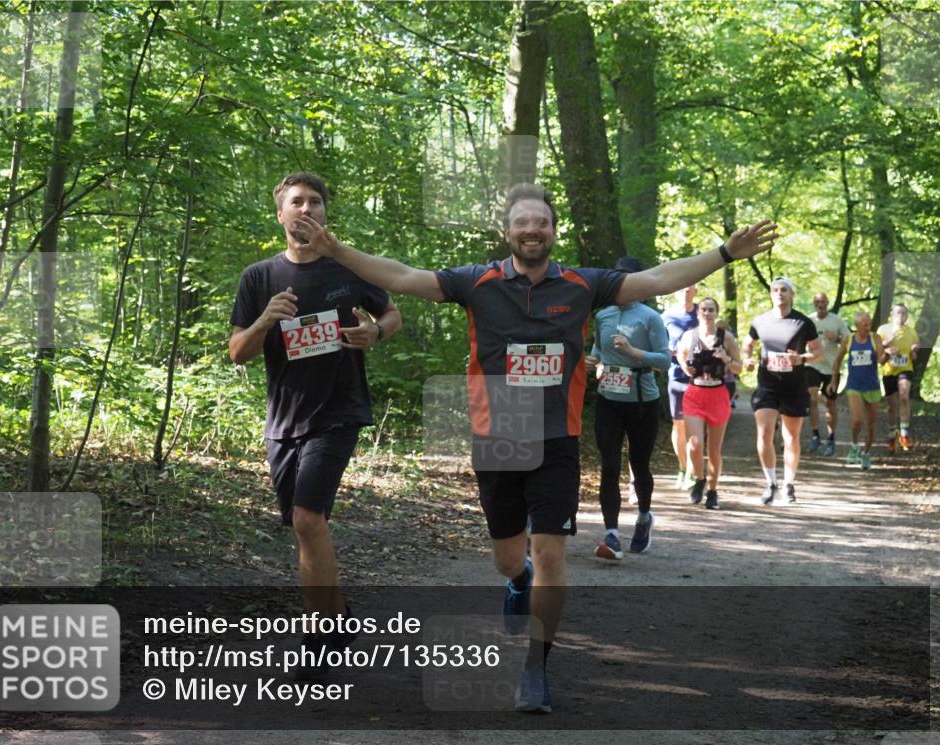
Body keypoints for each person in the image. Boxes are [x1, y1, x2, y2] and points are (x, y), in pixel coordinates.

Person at [295, 182, 777, 713]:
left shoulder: (582, 285)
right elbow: (404, 278)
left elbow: (659, 277)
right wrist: (336, 248)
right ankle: (516, 579)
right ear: (508, 231)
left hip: (555, 438)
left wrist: (725, 253)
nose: (532, 230)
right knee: (509, 559)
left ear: (553, 230)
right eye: (522, 222)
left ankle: (535, 668)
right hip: (498, 438)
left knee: (550, 550)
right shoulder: (476, 283)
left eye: (541, 223)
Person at [228, 172, 402, 676]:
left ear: (325, 213)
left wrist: (375, 332)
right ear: (280, 214)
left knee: (308, 519)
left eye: (315, 202)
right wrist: (264, 321)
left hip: (338, 409)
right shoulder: (258, 277)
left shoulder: (348, 267)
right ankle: (339, 617)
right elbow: (237, 353)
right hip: (284, 419)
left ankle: (319, 638)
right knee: (303, 527)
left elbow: (392, 315)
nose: (306, 209)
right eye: (296, 202)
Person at [585, 256, 670, 560]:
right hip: (609, 398)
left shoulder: (650, 317)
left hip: (642, 401)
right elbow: (598, 347)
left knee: (639, 465)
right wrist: (593, 361)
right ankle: (611, 534)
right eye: (617, 279)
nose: (621, 285)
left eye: (627, 279)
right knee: (609, 466)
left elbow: (665, 360)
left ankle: (644, 517)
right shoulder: (603, 315)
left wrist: (634, 352)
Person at [742, 277, 823, 504]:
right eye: (776, 290)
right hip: (767, 384)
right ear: (771, 294)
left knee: (791, 437)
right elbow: (748, 345)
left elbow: (819, 352)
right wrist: (747, 359)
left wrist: (801, 358)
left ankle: (789, 484)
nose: (779, 293)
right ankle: (770, 483)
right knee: (765, 434)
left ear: (791, 294)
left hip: (794, 386)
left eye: (784, 290)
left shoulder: (803, 322)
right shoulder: (760, 321)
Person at [678, 297, 743, 509]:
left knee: (714, 449)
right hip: (695, 394)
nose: (707, 313)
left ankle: (713, 491)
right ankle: (699, 478)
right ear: (698, 313)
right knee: (694, 445)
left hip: (717, 395)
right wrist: (685, 367)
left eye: (711, 310)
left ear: (717, 313)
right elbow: (680, 354)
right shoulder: (690, 336)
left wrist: (726, 359)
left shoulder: (728, 338)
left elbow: (739, 368)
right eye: (704, 309)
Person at [828, 311, 886, 470]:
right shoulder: (849, 340)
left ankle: (866, 453)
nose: (868, 327)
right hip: (854, 386)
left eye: (869, 324)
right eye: (864, 325)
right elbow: (837, 360)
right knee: (857, 420)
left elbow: (881, 360)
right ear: (857, 326)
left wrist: (887, 354)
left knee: (872, 425)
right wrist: (834, 380)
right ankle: (854, 446)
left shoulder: (875, 338)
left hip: (872, 386)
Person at [662, 285, 699, 489]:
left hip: (699, 376)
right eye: (681, 289)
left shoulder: (702, 312)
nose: (685, 292)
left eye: (689, 289)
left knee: (696, 423)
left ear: (695, 290)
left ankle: (693, 470)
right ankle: (683, 467)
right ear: (675, 292)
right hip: (676, 375)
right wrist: (668, 350)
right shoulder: (666, 316)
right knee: (679, 424)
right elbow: (658, 343)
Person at [805, 292, 850, 456]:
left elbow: (848, 340)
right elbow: (800, 339)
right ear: (814, 303)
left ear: (827, 303)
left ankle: (831, 438)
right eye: (817, 301)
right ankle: (815, 435)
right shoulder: (809, 320)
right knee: (812, 397)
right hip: (813, 365)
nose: (820, 304)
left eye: (823, 301)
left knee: (830, 404)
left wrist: (837, 338)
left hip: (832, 367)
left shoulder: (836, 320)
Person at [878, 303, 920, 453]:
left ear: (907, 316)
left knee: (904, 396)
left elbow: (915, 351)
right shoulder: (883, 329)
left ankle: (904, 434)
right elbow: (878, 354)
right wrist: (887, 348)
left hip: (905, 369)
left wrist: (914, 350)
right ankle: (891, 435)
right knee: (891, 406)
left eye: (904, 313)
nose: (901, 316)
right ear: (892, 314)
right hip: (889, 370)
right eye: (898, 313)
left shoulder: (911, 331)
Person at [715, 319, 738, 408]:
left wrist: (725, 369)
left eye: (724, 329)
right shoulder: (713, 341)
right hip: (717, 381)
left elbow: (735, 363)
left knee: (722, 408)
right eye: (719, 329)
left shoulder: (730, 342)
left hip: (727, 381)